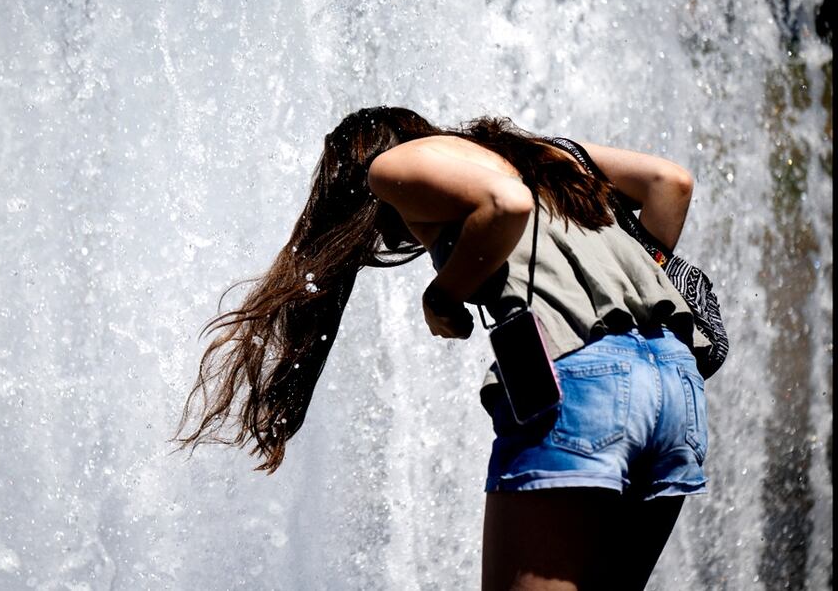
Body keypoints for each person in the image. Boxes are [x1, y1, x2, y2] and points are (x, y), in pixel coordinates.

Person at [174, 107, 711, 590]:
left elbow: (505, 203)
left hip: (586, 386)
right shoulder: (541, 156)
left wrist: (443, 296)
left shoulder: (388, 166)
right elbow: (671, 182)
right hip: (676, 380)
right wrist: (638, 282)